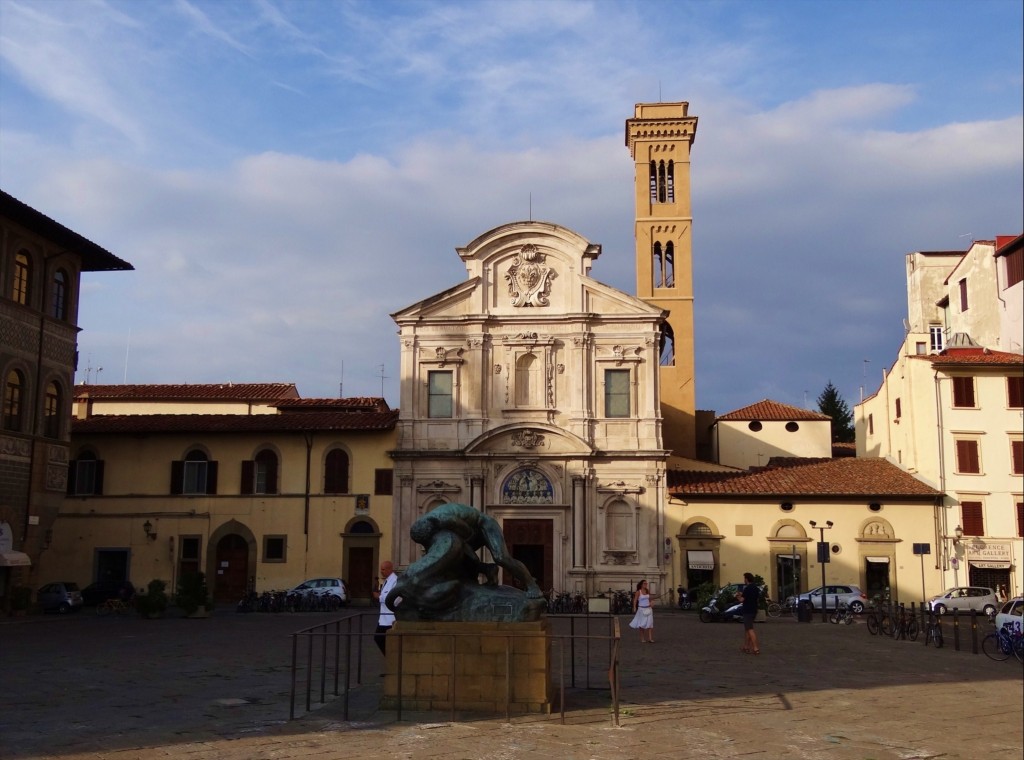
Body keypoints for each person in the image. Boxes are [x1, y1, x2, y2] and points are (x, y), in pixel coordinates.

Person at [373, 560, 398, 654]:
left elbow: (393, 598)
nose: (381, 571)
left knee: (379, 638)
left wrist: (379, 597)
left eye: (383, 569)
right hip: (383, 617)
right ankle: (390, 656)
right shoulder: (386, 581)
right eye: (381, 569)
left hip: (390, 618)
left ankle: (391, 656)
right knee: (380, 638)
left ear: (389, 569)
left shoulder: (395, 581)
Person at [738, 572, 760, 654]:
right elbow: (756, 598)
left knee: (750, 629)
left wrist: (738, 596)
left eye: (744, 578)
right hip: (754, 610)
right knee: (747, 629)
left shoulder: (747, 589)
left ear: (747, 579)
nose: (744, 580)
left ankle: (755, 648)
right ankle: (746, 647)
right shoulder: (755, 588)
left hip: (747, 611)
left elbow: (742, 600)